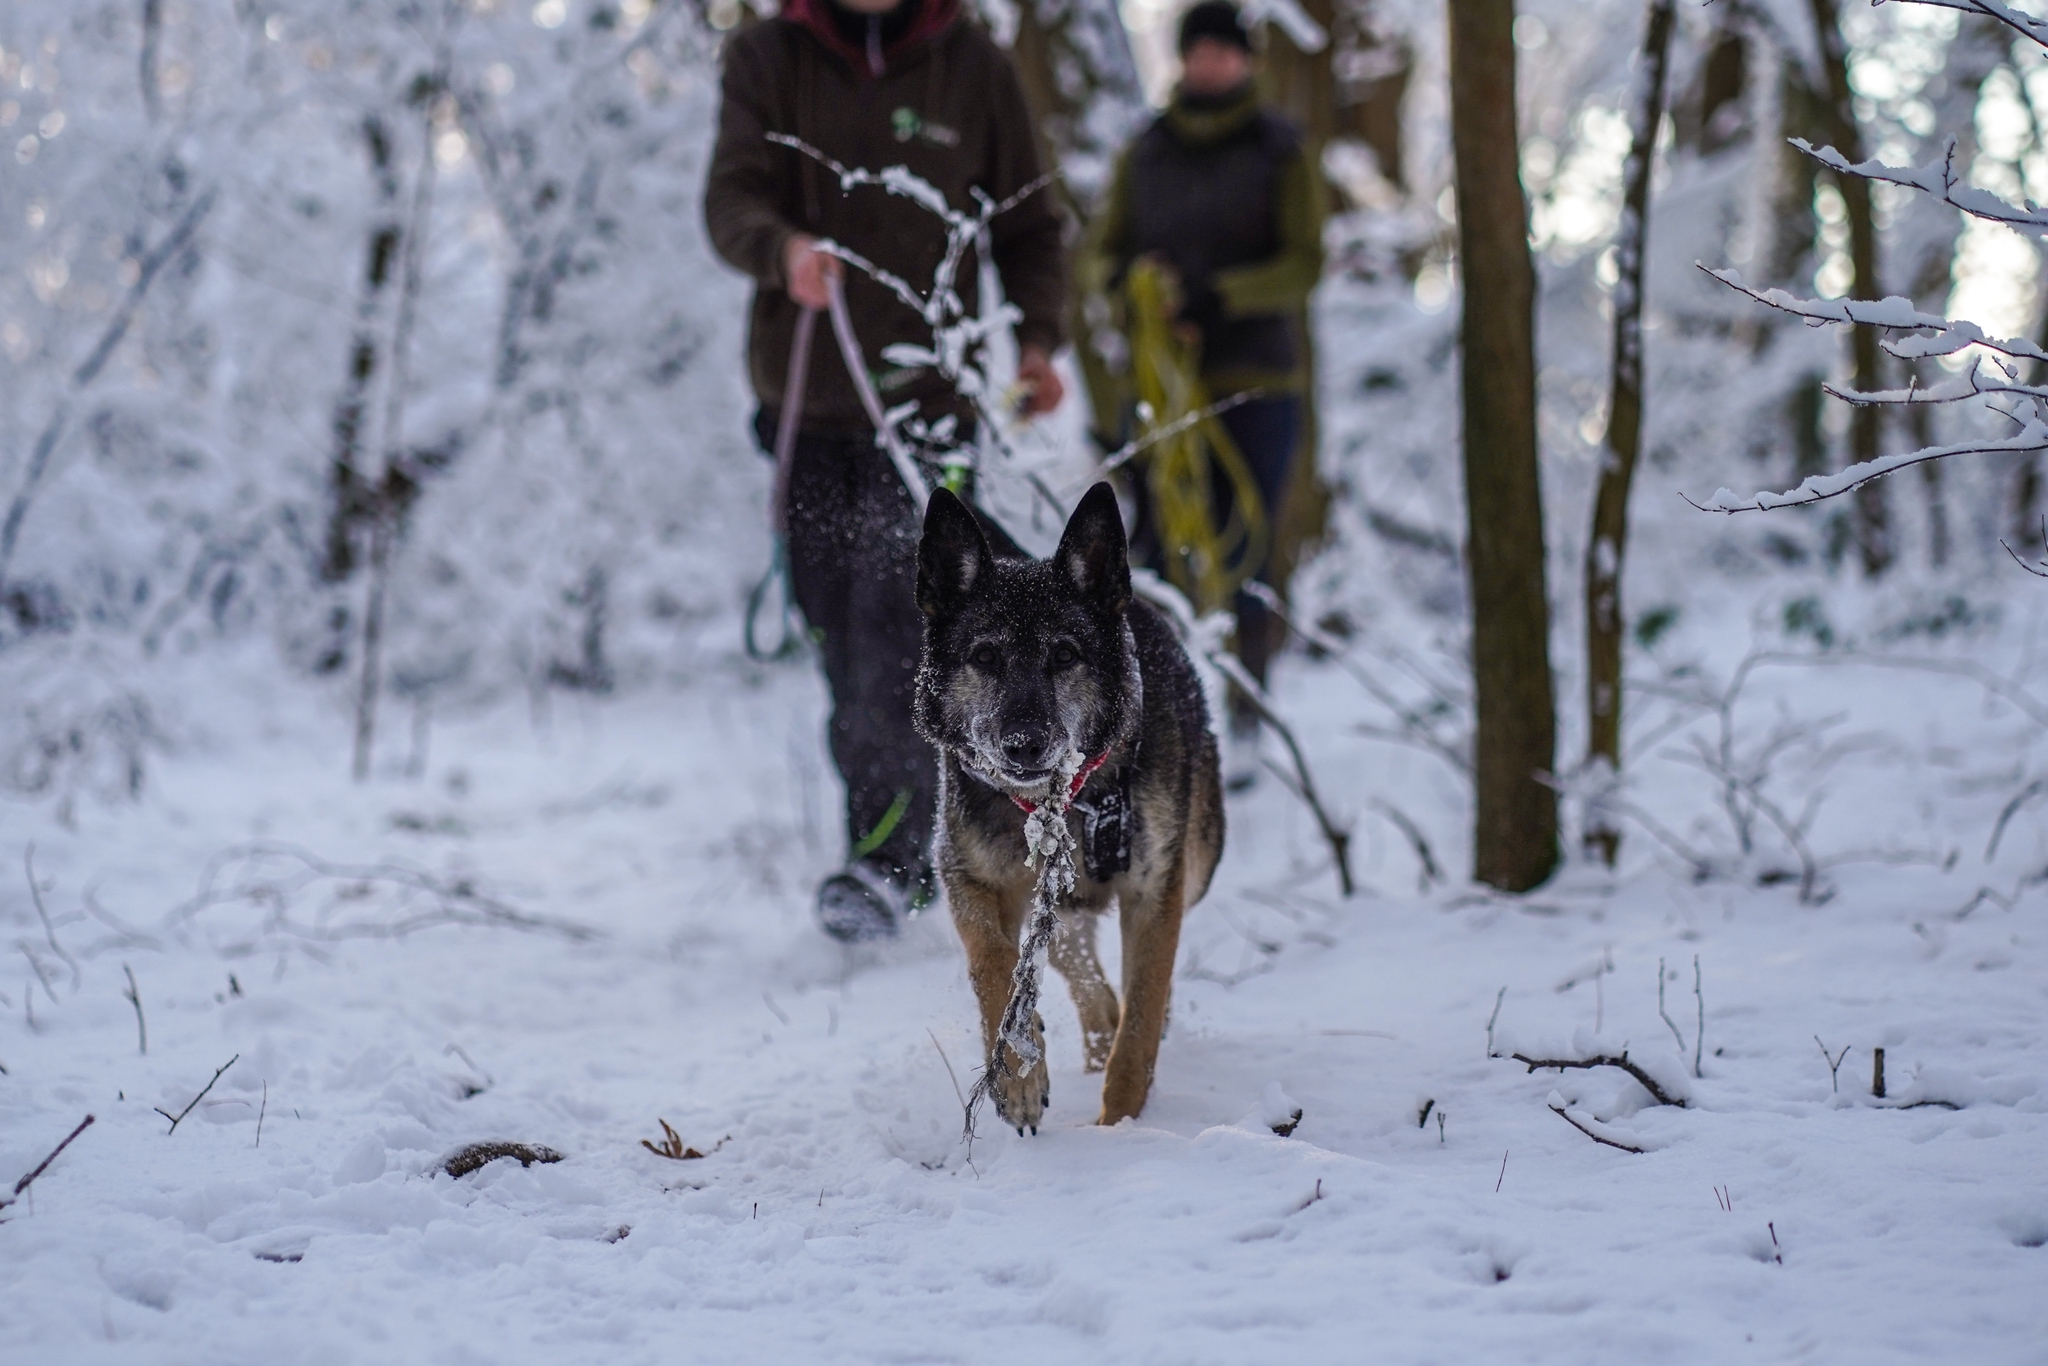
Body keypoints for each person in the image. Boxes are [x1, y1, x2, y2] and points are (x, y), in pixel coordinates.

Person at [704, 0, 1067, 941]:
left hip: (931, 417)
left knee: (900, 629)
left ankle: (887, 862)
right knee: (840, 639)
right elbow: (730, 198)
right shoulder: (765, 54)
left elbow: (1028, 226)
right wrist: (780, 249)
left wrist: (1037, 342)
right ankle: (901, 843)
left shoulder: (974, 64)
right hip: (805, 412)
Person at [1083, 0, 1325, 787]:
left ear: (1247, 61)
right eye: (1202, 51)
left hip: (1257, 378)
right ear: (1183, 60)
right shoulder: (1144, 152)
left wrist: (1219, 298)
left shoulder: (1281, 150)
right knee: (1150, 547)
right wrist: (1137, 294)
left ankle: (1248, 715)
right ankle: (1154, 710)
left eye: (1227, 52)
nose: (1213, 64)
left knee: (1245, 548)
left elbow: (1303, 264)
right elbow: (1102, 255)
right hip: (1161, 389)